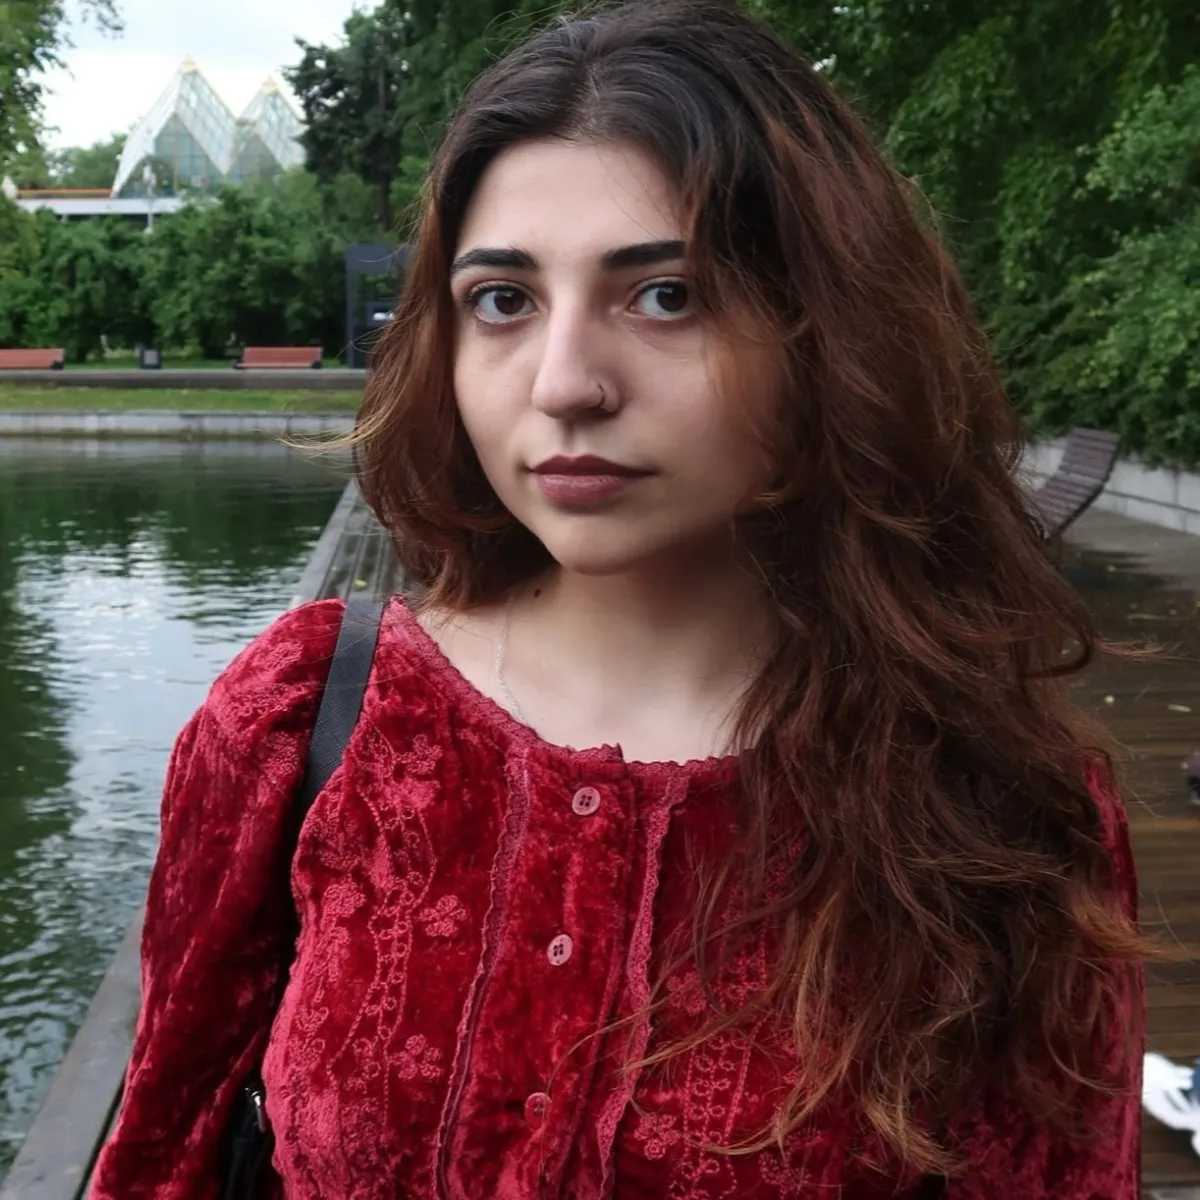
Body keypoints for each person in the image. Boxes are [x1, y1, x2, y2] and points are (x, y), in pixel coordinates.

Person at [90, 1, 1147, 1196]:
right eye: (504, 299)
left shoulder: (993, 803)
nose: (565, 384)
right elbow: (163, 1149)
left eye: (666, 295)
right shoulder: (306, 720)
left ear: (827, 336)